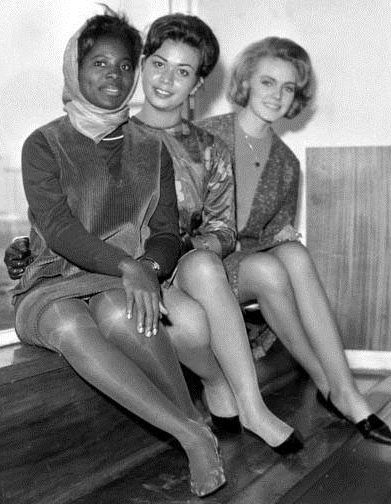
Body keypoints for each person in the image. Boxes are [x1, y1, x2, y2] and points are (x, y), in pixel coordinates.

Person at [6, 13, 304, 455]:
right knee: (161, 313)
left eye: (183, 71)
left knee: (197, 292)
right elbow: (63, 220)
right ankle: (203, 419)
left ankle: (245, 403)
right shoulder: (50, 140)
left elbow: (203, 229)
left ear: (197, 83)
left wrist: (154, 262)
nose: (164, 79)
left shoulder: (182, 146)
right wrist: (29, 246)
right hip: (107, 271)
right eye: (158, 65)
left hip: (157, 265)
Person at [11, 10, 226, 497]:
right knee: (69, 324)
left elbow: (166, 233)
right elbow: (58, 229)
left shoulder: (152, 148)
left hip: (119, 280)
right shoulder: (42, 144)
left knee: (120, 310)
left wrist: (148, 267)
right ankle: (192, 432)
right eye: (99, 63)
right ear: (75, 69)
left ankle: (192, 424)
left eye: (125, 65)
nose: (114, 75)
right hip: (50, 282)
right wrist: (131, 266)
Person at [197, 36, 391, 446]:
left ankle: (345, 389)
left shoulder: (287, 162)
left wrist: (283, 238)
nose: (277, 95)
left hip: (245, 264)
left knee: (295, 253)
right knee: (271, 267)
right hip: (200, 264)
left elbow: (270, 232)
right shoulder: (204, 136)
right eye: (267, 82)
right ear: (246, 82)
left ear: (296, 98)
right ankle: (329, 384)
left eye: (288, 88)